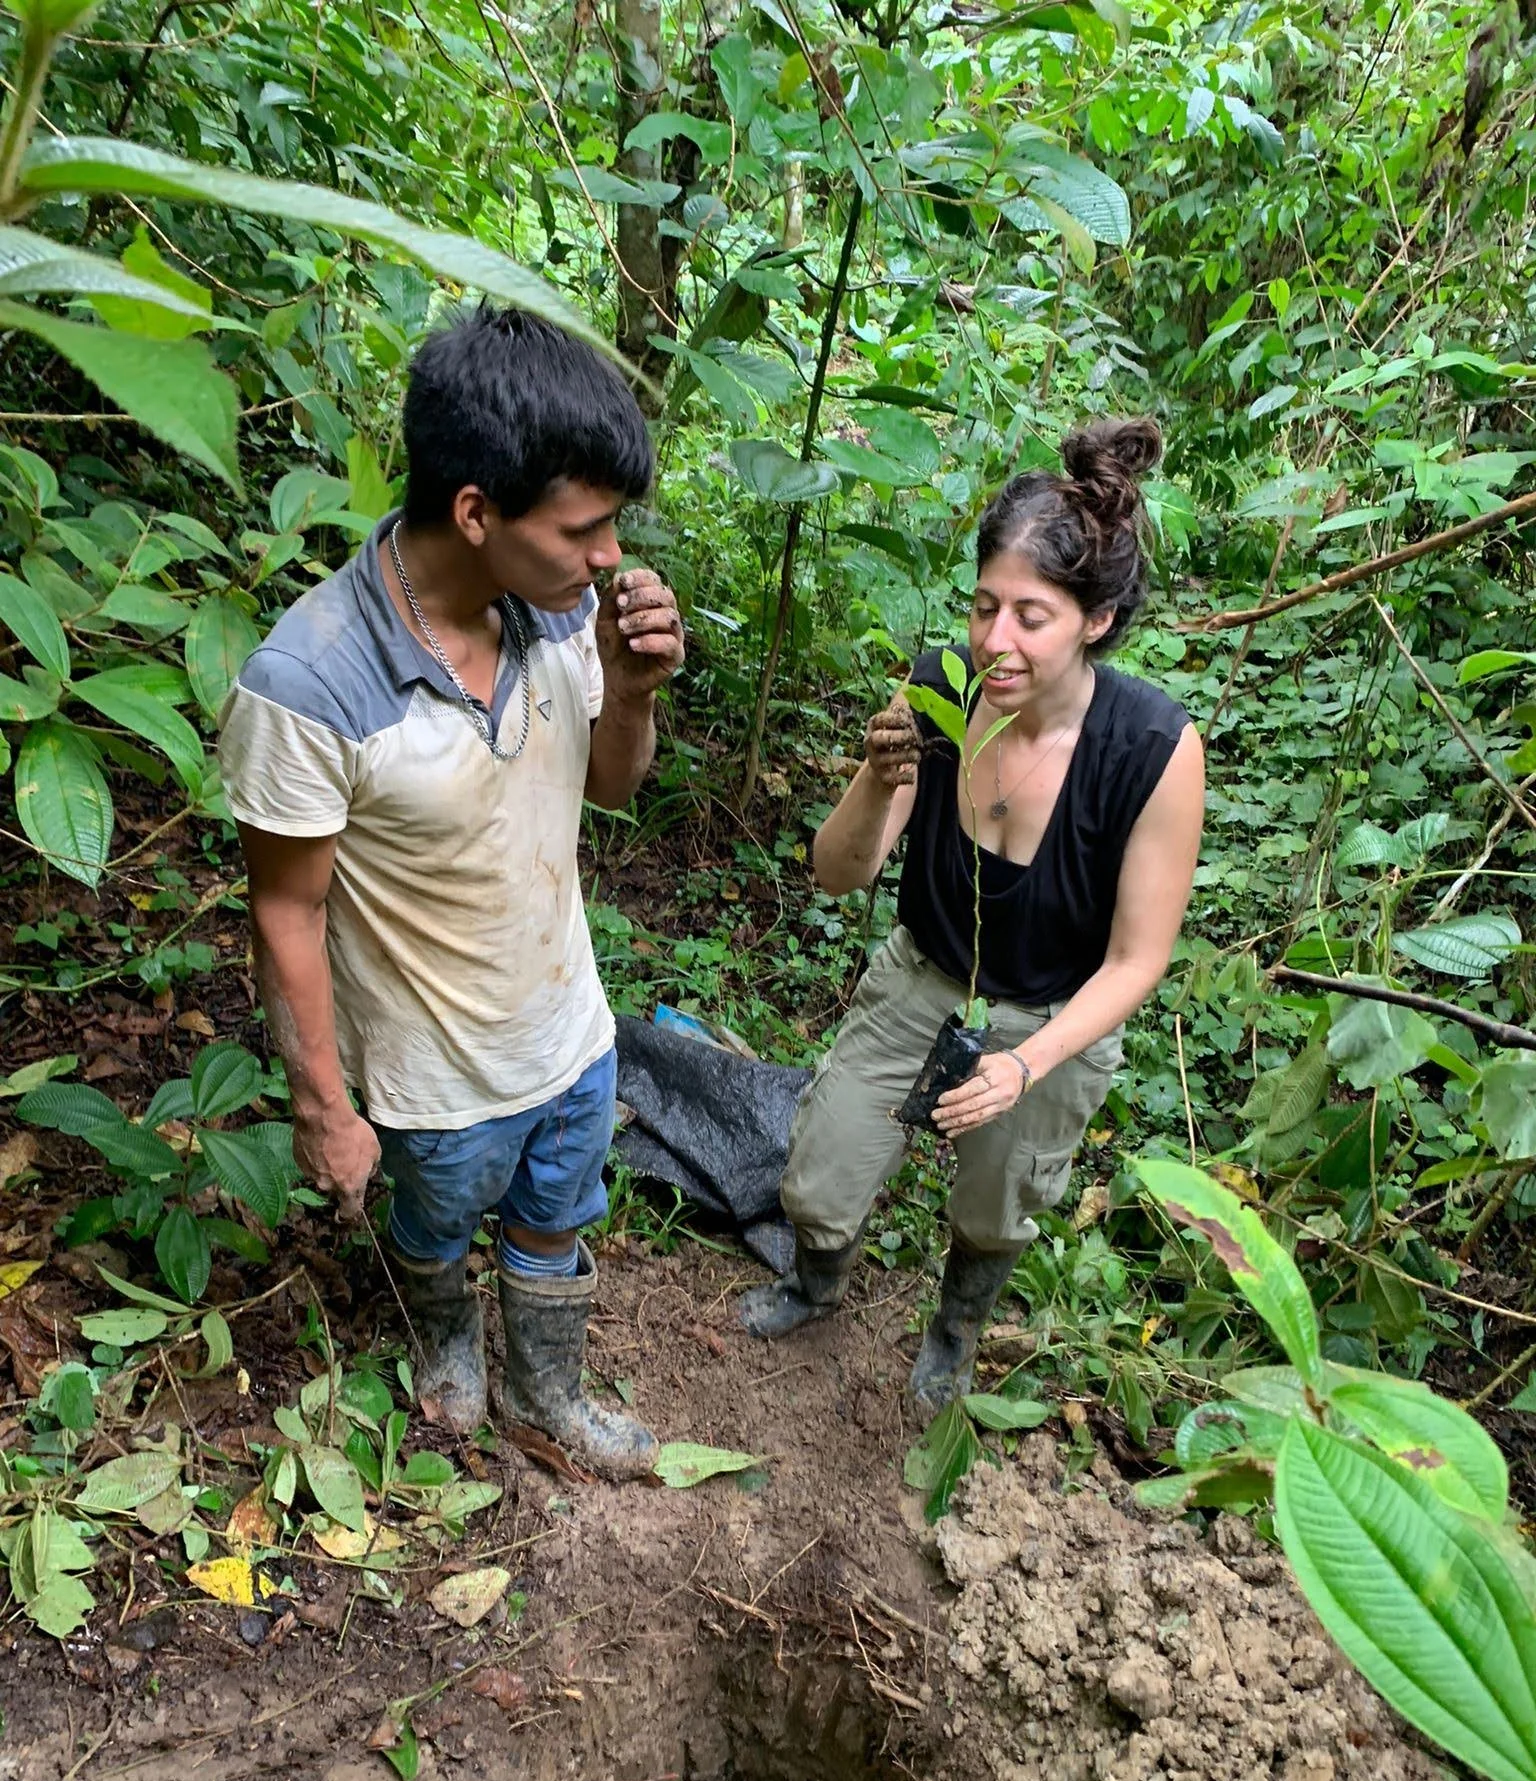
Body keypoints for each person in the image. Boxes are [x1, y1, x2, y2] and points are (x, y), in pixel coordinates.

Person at [217, 305, 685, 1478]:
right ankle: (445, 1333)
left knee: (554, 1214)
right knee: (434, 1225)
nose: (609, 557)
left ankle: (548, 1391)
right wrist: (327, 1108)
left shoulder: (568, 611)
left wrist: (628, 691)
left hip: (569, 1026)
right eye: (583, 528)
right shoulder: (310, 681)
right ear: (476, 511)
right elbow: (287, 911)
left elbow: (617, 789)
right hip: (431, 1077)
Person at [741, 418, 1204, 1415]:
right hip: (924, 974)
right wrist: (878, 776)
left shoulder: (1151, 748)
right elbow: (834, 873)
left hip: (1052, 1014)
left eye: (1031, 615)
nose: (995, 639)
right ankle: (816, 1281)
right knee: (819, 1179)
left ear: (1097, 619)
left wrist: (1021, 1064)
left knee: (999, 1202)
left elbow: (1137, 960)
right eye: (985, 604)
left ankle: (955, 1325)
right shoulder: (943, 686)